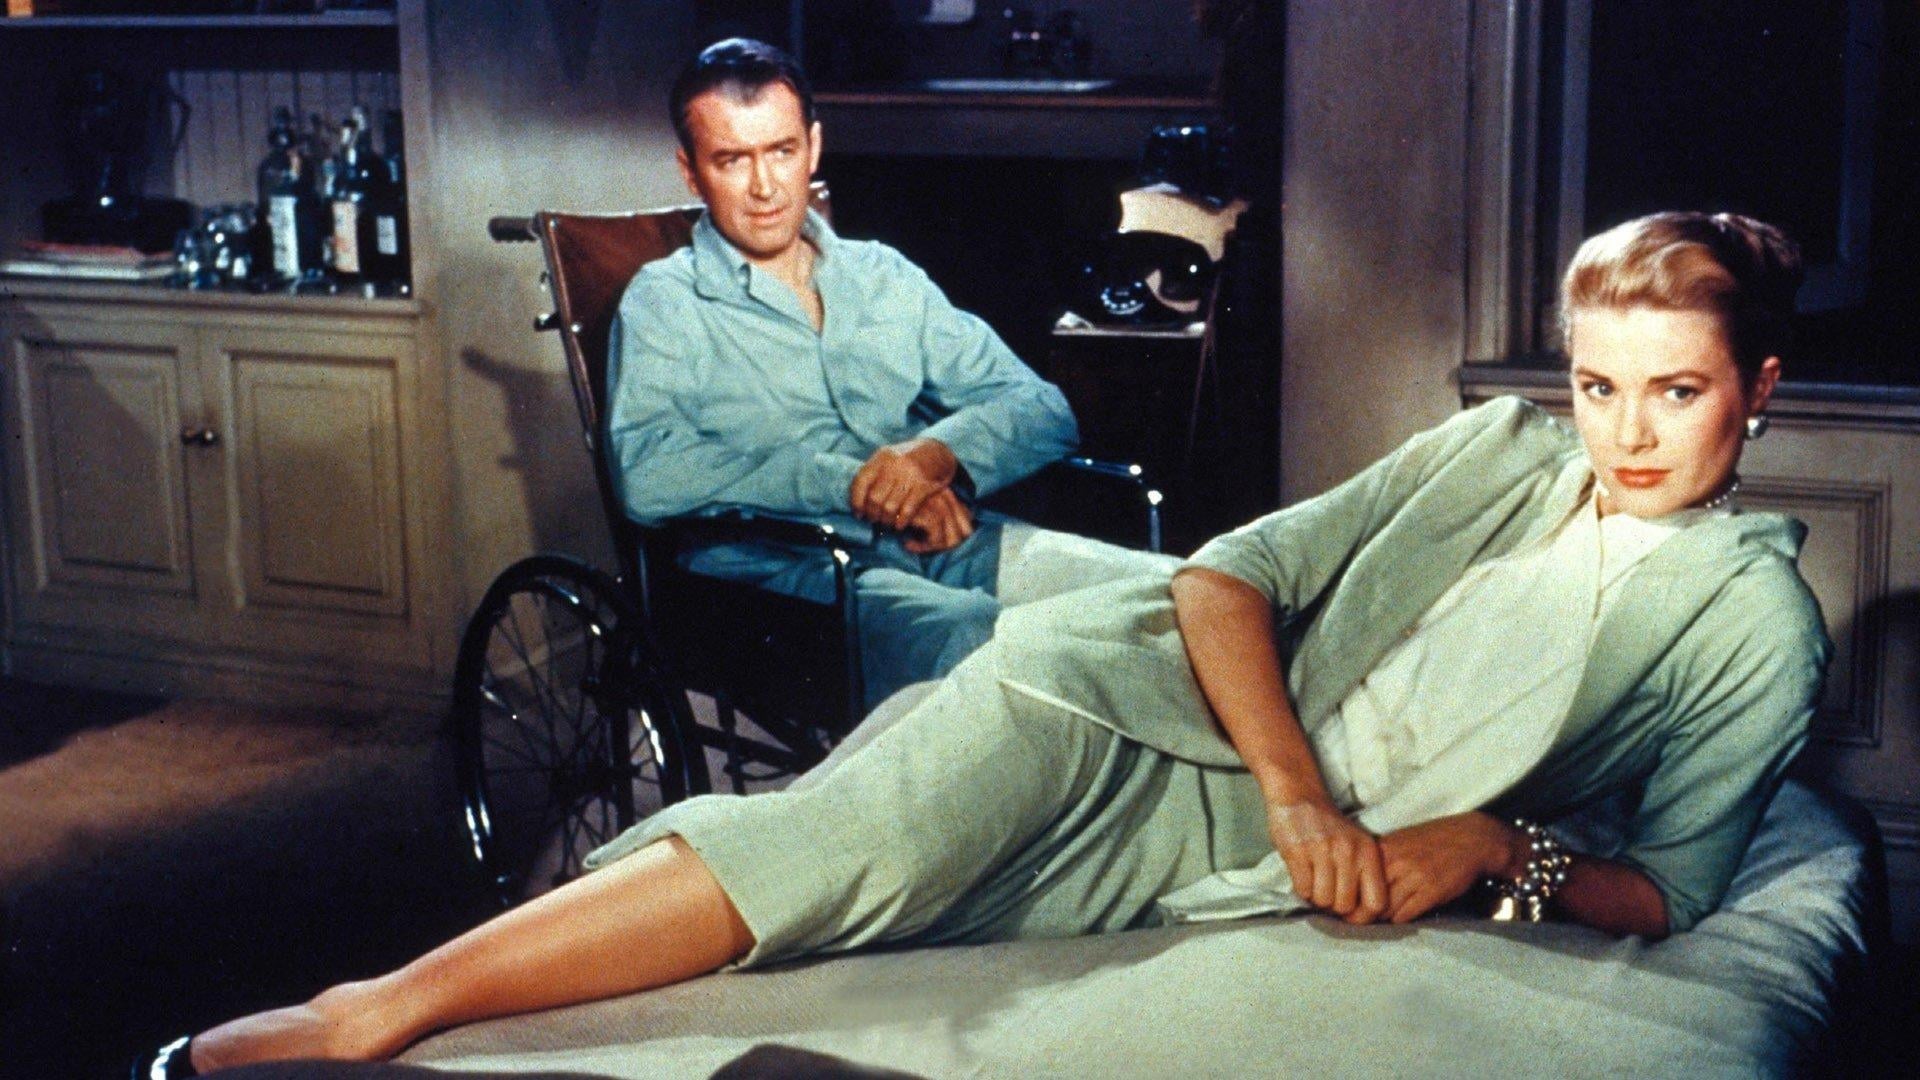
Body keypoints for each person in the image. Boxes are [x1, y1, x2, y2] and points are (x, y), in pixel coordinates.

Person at [162, 209, 1825, 1074]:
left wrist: (1492, 854)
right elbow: (1222, 584)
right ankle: (377, 1007)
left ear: (1758, 389)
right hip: (1142, 710)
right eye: (1598, 384)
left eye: (1675, 391)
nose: (1624, 432)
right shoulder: (1498, 451)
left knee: (892, 937)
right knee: (848, 843)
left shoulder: (1754, 623)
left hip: (1227, 856)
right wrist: (1305, 798)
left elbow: (1668, 888)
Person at [607, 38, 1079, 709]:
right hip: (788, 577)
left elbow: (1044, 409)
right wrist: (851, 481)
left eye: (782, 151)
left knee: (1160, 598)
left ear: (815, 147)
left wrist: (934, 457)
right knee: (991, 640)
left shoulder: (883, 275)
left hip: (940, 540)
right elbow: (647, 473)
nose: (765, 187)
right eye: (732, 160)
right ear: (691, 172)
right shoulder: (664, 301)